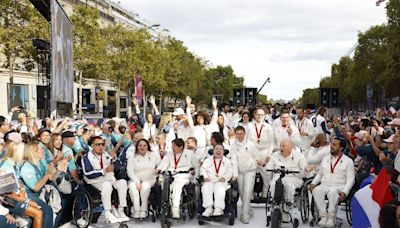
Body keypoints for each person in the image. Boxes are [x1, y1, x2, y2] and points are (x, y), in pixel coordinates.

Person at [0, 142, 53, 228]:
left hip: (17, 195)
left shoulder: (15, 164)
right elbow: (6, 194)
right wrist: (27, 201)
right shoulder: (6, 167)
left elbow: (18, 182)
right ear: (16, 152)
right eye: (23, 150)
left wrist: (23, 190)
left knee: (44, 210)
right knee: (38, 213)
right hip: (8, 200)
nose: (25, 152)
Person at [81, 136, 129, 223]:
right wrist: (104, 171)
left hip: (110, 179)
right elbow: (87, 174)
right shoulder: (86, 157)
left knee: (123, 183)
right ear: (92, 146)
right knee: (107, 185)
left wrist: (114, 159)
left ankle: (121, 210)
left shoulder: (106, 154)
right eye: (98, 144)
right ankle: (107, 212)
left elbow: (118, 167)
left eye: (102, 144)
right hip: (95, 181)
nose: (101, 146)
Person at [309, 137, 355, 227]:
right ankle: (323, 216)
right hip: (325, 185)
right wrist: (313, 183)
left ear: (341, 148)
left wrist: (345, 192)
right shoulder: (325, 158)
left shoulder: (348, 161)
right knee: (317, 190)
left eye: (334, 145)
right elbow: (319, 175)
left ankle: (331, 217)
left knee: (333, 192)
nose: (331, 146)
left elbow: (351, 179)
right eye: (331, 144)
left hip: (339, 187)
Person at [266, 139, 307, 222]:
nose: (281, 148)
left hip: (293, 177)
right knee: (274, 184)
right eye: (280, 145)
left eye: (283, 146)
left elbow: (304, 167)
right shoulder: (275, 155)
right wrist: (268, 166)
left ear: (290, 148)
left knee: (289, 186)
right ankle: (274, 205)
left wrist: (307, 168)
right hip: (279, 175)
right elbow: (269, 166)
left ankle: (287, 209)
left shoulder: (298, 155)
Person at [157, 138, 198, 218]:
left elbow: (197, 166)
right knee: (166, 185)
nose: (172, 148)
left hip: (184, 176)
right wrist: (159, 169)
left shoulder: (189, 154)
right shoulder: (169, 154)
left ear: (181, 147)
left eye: (174, 146)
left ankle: (175, 209)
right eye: (172, 146)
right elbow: (164, 163)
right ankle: (166, 206)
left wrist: (195, 177)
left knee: (177, 186)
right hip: (171, 175)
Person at [229, 126, 257, 224]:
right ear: (235, 134)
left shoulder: (251, 144)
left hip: (250, 171)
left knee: (247, 192)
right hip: (240, 173)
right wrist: (235, 174)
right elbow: (233, 159)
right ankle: (248, 209)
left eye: (241, 133)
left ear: (244, 134)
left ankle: (245, 215)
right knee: (242, 193)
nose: (240, 135)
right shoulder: (233, 145)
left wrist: (252, 165)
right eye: (238, 134)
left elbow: (255, 156)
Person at [127, 139, 161, 219]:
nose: (142, 147)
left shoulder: (153, 155)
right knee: (132, 187)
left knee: (145, 186)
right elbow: (130, 171)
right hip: (136, 178)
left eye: (144, 145)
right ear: (137, 146)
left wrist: (158, 170)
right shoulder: (132, 157)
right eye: (140, 145)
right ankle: (136, 210)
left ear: (148, 146)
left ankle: (144, 210)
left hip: (150, 178)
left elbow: (161, 164)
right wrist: (137, 181)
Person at [246, 108, 274, 197]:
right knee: (250, 176)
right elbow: (245, 141)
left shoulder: (268, 127)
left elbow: (271, 142)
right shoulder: (249, 126)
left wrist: (268, 157)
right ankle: (250, 196)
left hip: (264, 153)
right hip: (252, 154)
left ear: (265, 115)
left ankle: (265, 195)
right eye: (258, 114)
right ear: (254, 115)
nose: (259, 116)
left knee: (267, 176)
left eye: (262, 115)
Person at [200, 144, 233, 217]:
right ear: (213, 151)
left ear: (223, 151)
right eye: (216, 149)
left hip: (221, 181)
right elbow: (202, 170)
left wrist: (224, 177)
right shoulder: (207, 160)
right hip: (210, 180)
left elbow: (230, 171)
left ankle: (218, 209)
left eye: (221, 149)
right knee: (205, 188)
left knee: (219, 188)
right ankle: (208, 208)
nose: (218, 151)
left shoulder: (227, 161)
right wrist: (205, 177)